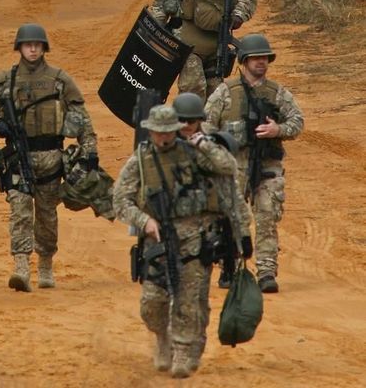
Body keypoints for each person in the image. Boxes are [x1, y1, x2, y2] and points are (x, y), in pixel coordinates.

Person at [113, 104, 238, 378]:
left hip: (194, 238)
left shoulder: (192, 154)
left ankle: (182, 350)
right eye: (158, 133)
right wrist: (143, 220)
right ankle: (162, 337)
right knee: (152, 303)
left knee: (188, 300)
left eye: (168, 132)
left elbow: (228, 166)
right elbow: (119, 199)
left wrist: (204, 143)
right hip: (157, 239)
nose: (163, 138)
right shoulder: (141, 160)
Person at [0, 23, 98, 292]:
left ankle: (45, 264)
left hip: (51, 156)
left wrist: (90, 153)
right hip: (19, 156)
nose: (32, 49)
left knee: (46, 215)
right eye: (27, 44)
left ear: (44, 48)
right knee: (19, 211)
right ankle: (21, 267)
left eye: (37, 45)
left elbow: (82, 119)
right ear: (19, 47)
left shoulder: (59, 79)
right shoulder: (6, 79)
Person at [204, 33, 304, 294]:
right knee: (232, 219)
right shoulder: (226, 92)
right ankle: (232, 267)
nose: (262, 62)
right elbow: (205, 127)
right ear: (244, 61)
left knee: (267, 216)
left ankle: (267, 271)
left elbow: (297, 121)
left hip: (267, 164)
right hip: (233, 166)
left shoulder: (276, 93)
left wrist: (278, 130)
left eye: (265, 58)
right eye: (256, 58)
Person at [173, 92, 253, 370]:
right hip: (170, 234)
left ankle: (191, 346)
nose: (186, 125)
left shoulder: (212, 146)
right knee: (169, 296)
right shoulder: (160, 144)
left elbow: (230, 187)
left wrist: (243, 234)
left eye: (191, 121)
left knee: (195, 296)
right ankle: (175, 343)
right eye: (181, 120)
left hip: (204, 235)